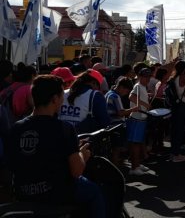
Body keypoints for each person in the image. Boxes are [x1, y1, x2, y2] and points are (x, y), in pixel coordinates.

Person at [6, 74, 105, 218]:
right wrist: (83, 155)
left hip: (24, 192)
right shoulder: (64, 129)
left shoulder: (16, 128)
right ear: (54, 98)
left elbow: (11, 163)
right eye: (61, 96)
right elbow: (76, 171)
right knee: (95, 192)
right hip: (57, 193)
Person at [58, 70, 110, 134]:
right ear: (93, 83)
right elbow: (104, 122)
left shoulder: (63, 93)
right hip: (83, 140)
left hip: (61, 136)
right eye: (98, 87)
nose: (97, 89)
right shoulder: (95, 95)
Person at [127, 68, 153, 175]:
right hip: (136, 118)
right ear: (140, 77)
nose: (148, 78)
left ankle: (137, 164)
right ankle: (134, 168)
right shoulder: (137, 86)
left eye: (149, 76)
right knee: (135, 144)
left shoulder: (142, 86)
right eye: (145, 76)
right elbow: (131, 97)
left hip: (141, 118)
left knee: (138, 142)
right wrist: (144, 104)